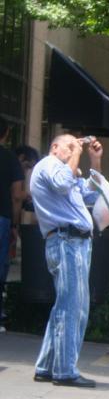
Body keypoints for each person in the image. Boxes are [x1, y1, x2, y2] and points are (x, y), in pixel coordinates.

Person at [30, 133, 103, 387]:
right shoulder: (48, 165)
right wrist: (75, 156)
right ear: (54, 147)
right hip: (66, 242)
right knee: (74, 307)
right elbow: (62, 184)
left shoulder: (66, 171)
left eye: (77, 145)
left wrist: (95, 162)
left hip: (75, 243)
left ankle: (47, 366)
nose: (75, 150)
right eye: (70, 146)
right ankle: (64, 370)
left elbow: (92, 195)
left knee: (65, 306)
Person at [0, 117, 25, 333]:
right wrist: (15, 225)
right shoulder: (10, 159)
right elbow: (17, 196)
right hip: (2, 218)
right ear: (6, 133)